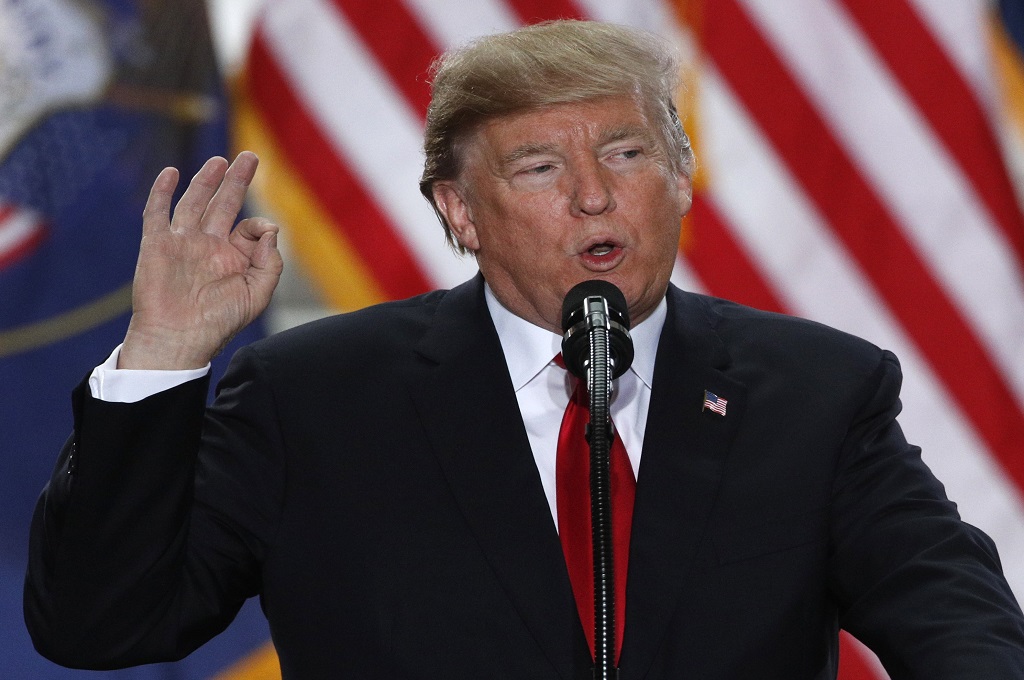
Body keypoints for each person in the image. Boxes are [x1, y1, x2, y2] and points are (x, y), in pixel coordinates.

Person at [24, 20, 1024, 679]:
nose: (594, 195)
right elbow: (100, 623)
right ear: (459, 211)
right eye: (541, 167)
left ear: (680, 179)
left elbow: (959, 624)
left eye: (627, 154)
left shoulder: (816, 392)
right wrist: (162, 355)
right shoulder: (315, 398)